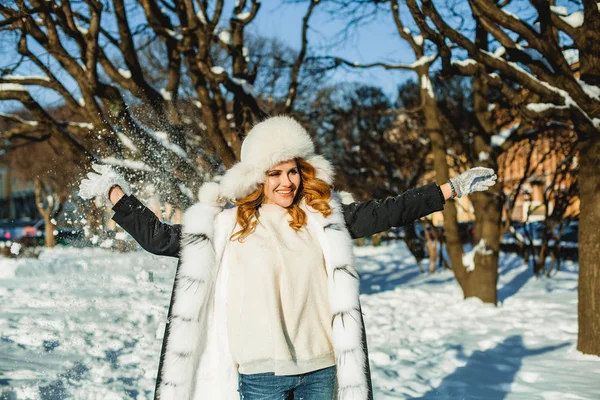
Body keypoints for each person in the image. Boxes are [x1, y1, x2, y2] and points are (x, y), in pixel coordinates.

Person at [78, 116, 496, 400]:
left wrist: (450, 189)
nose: (286, 182)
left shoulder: (324, 219)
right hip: (261, 372)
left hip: (322, 367)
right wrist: (117, 194)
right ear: (258, 177)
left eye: (292, 171)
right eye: (275, 173)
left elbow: (390, 211)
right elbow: (160, 239)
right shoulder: (228, 226)